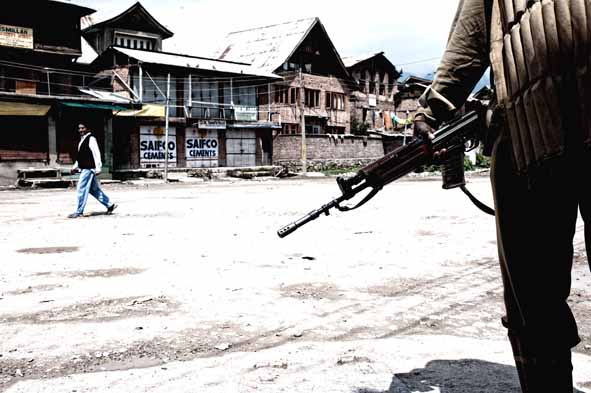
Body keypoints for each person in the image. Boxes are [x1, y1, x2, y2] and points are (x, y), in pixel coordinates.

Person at [413, 0, 590, 391]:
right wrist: (434, 107)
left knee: (534, 298)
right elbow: (473, 31)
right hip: (528, 124)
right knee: (534, 299)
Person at [68, 123, 117, 218]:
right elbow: (80, 157)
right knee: (93, 190)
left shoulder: (91, 139)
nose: (81, 130)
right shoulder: (82, 140)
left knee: (81, 189)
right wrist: (75, 167)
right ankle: (110, 205)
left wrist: (98, 167)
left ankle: (79, 211)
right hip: (84, 168)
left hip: (89, 168)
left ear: (88, 128)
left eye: (83, 128)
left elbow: (96, 154)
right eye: (79, 128)